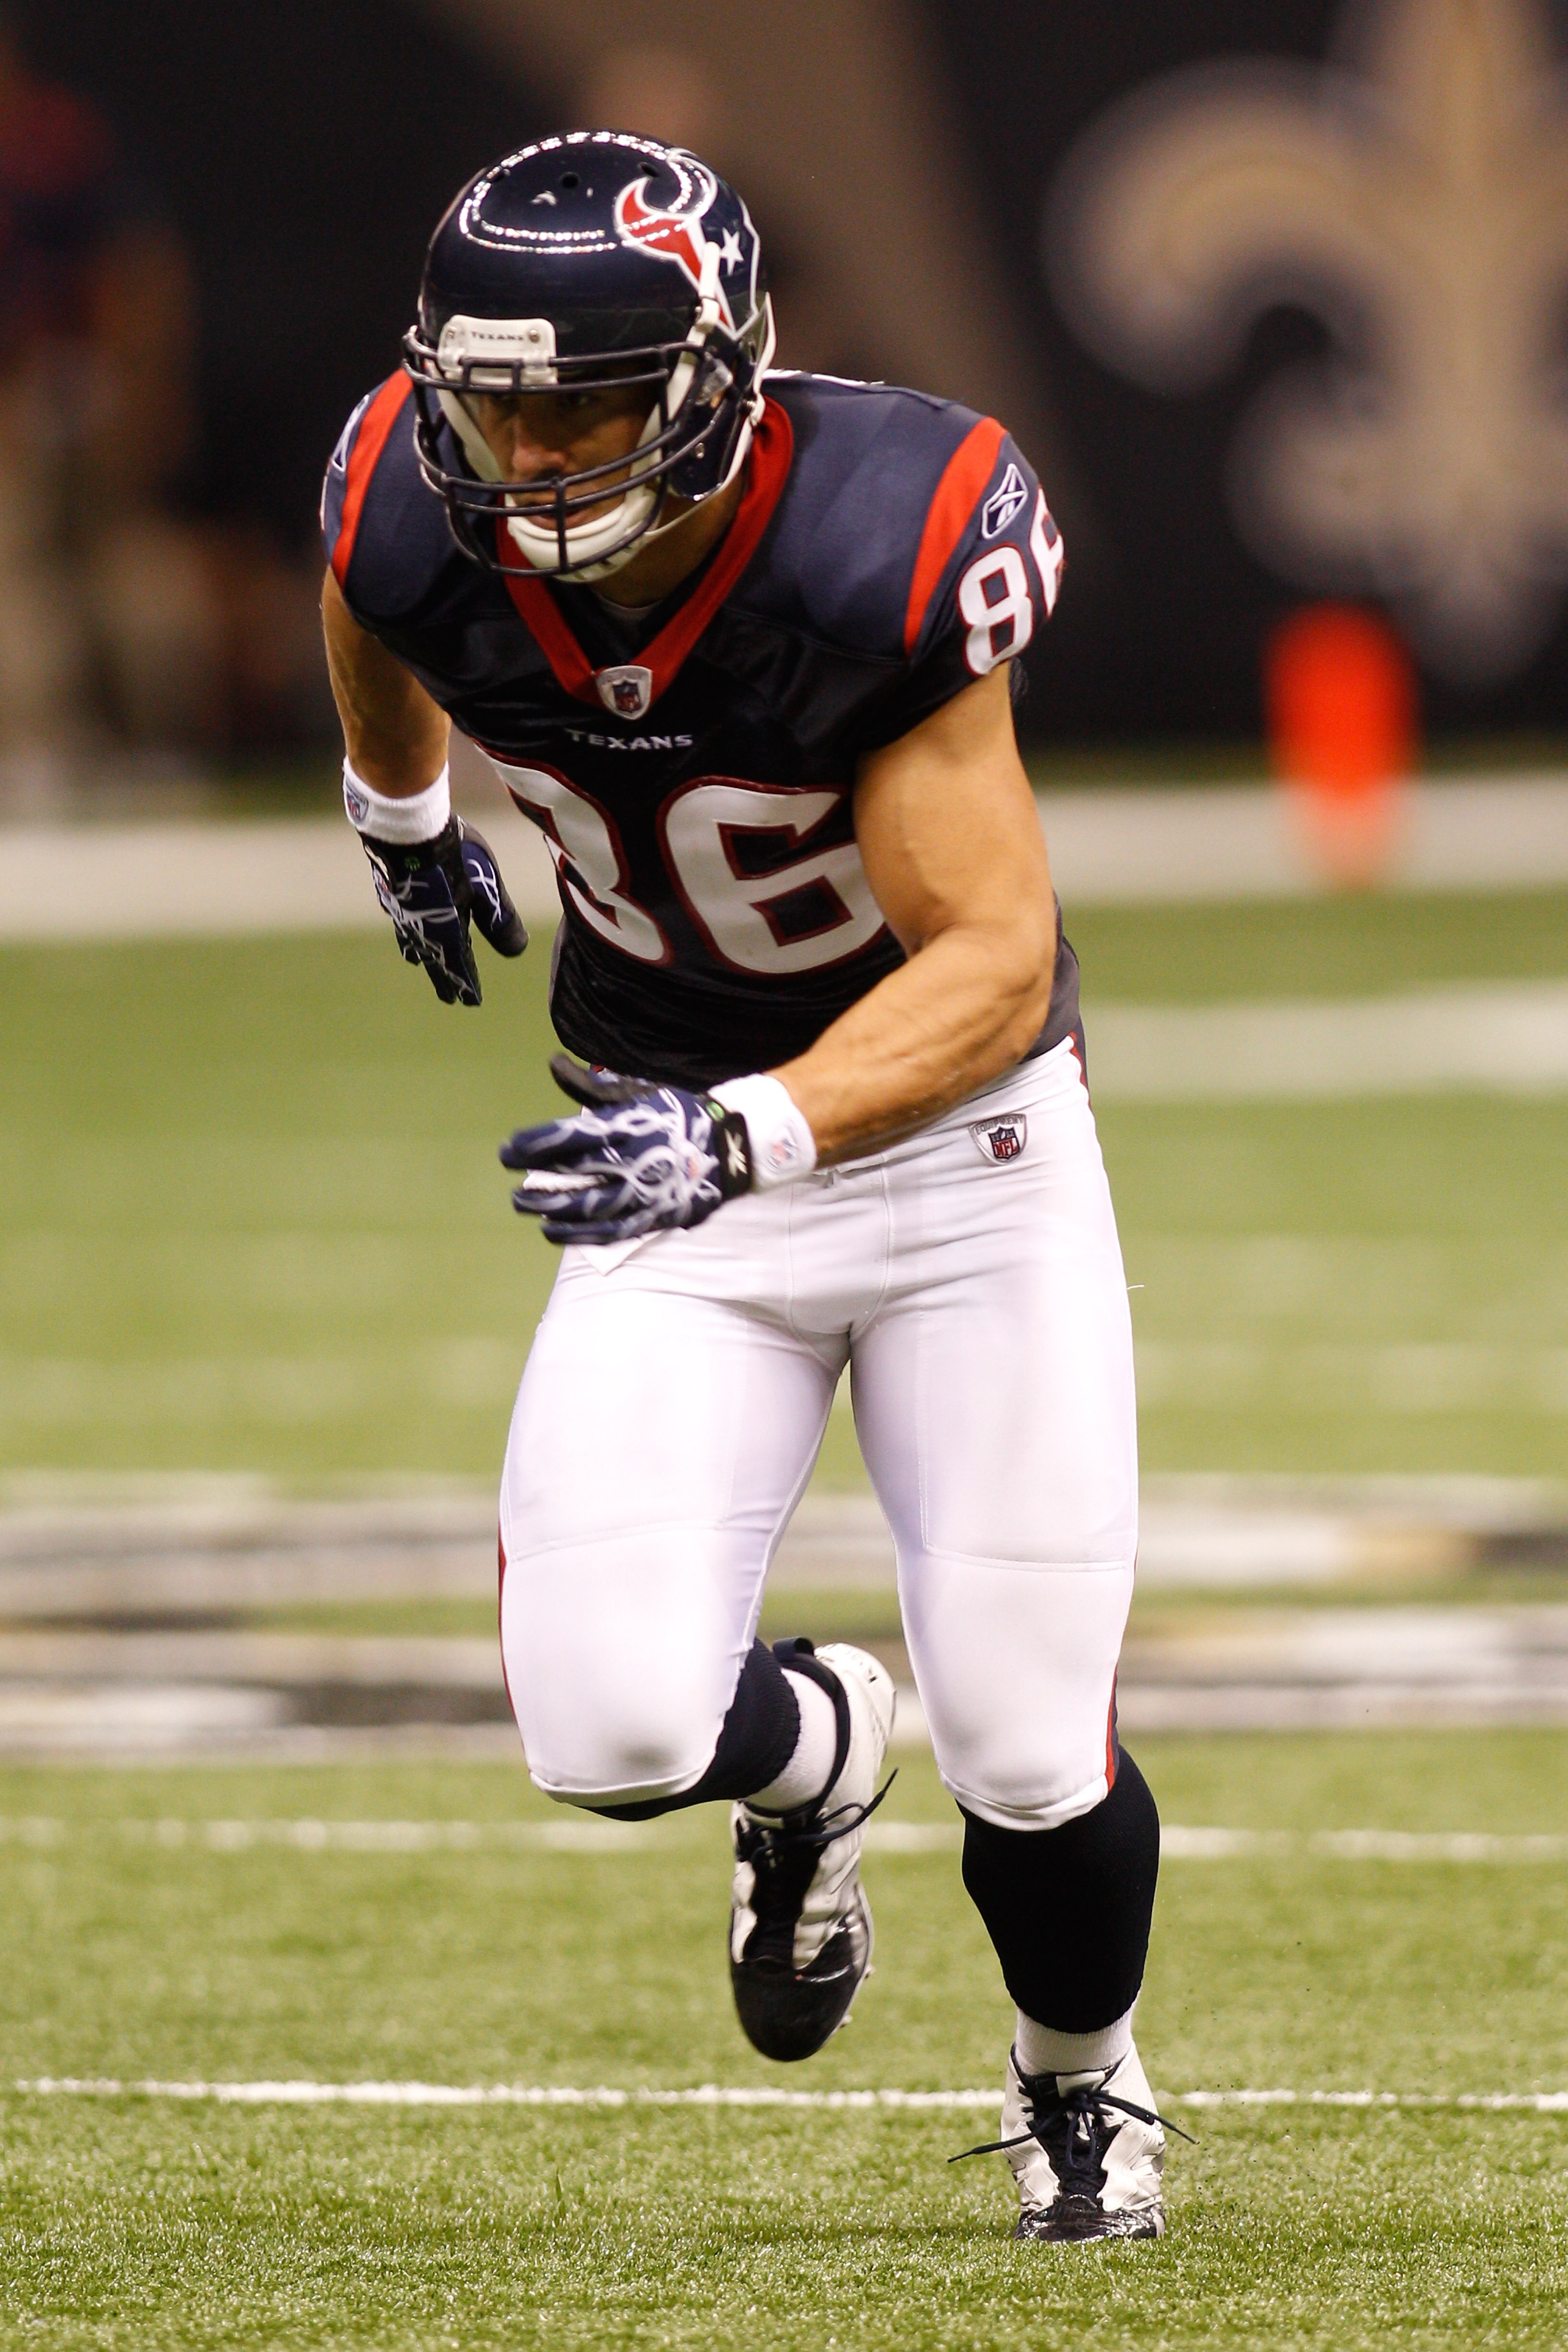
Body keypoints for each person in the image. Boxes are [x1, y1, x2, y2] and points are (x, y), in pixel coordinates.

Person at [321, 132, 1171, 2243]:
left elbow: (986, 963)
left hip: (951, 1159)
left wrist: (752, 1126)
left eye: (578, 408)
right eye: (490, 405)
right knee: (604, 1726)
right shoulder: (404, 495)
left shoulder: (878, 539)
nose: (522, 454)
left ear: (710, 385)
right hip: (670, 1168)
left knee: (1035, 1748)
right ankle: (809, 1759)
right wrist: (400, 804)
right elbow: (371, 584)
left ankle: (1081, 2077)